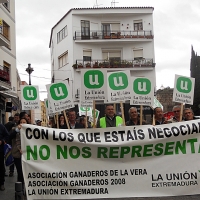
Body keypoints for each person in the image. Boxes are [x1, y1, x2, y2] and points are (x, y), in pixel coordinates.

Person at [10, 118, 28, 188]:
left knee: (26, 173)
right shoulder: (15, 129)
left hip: (27, 154)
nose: (22, 123)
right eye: (21, 122)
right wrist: (17, 130)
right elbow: (10, 136)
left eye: (24, 122)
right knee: (20, 172)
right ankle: (19, 190)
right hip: (18, 154)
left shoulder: (29, 130)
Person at [0, 123, 9, 191]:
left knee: (1, 167)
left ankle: (1, 183)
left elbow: (7, 135)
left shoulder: (1, 126)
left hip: (0, 150)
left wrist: (2, 141)